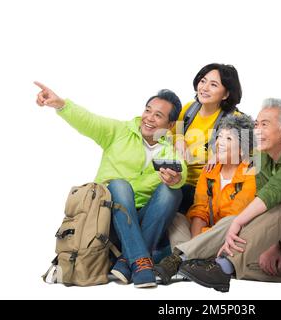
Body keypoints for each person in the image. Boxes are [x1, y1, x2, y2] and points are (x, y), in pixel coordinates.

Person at [153, 98, 281, 292]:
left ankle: (189, 261)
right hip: (236, 237)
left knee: (270, 211)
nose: (257, 130)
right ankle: (196, 262)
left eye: (264, 125)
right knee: (180, 219)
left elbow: (273, 193)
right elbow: (199, 209)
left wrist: (239, 224)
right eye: (256, 124)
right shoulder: (261, 156)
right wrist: (216, 155)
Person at [34, 82, 187, 288]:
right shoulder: (119, 131)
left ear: (169, 125)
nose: (149, 118)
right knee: (119, 185)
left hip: (144, 220)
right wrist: (61, 105)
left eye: (158, 115)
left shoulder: (171, 149)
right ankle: (141, 260)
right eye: (148, 110)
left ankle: (127, 261)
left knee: (173, 192)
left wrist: (176, 179)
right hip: (109, 219)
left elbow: (182, 170)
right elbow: (89, 121)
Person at [155, 113, 256, 284]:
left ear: (242, 149)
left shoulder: (251, 172)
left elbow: (235, 217)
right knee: (177, 217)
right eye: (220, 137)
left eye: (229, 139)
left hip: (232, 237)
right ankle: (191, 261)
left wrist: (201, 239)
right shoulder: (210, 170)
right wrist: (197, 241)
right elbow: (200, 210)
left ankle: (178, 259)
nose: (220, 143)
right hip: (206, 234)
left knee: (232, 220)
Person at [173, 63, 243, 214]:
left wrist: (220, 155)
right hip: (176, 178)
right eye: (203, 81)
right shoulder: (189, 110)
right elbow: (172, 131)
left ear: (225, 94)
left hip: (205, 187)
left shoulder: (234, 119)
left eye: (213, 85)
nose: (204, 88)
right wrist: (179, 139)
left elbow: (250, 153)